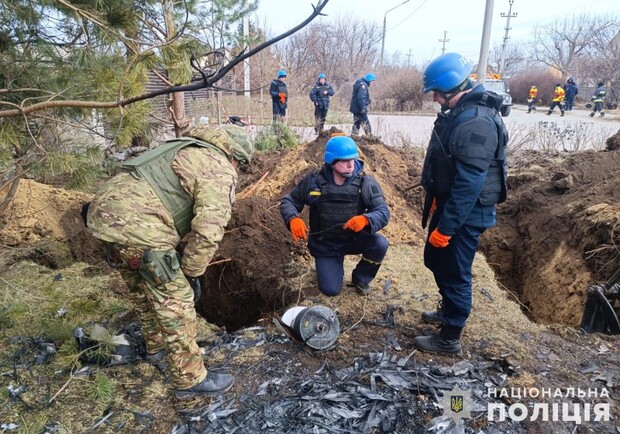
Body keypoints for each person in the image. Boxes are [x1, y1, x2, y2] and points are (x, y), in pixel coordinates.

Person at [85, 125, 254, 398]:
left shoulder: (181, 147)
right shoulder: (218, 167)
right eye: (240, 163)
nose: (238, 168)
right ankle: (190, 379)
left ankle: (156, 347)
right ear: (234, 156)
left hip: (103, 216)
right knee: (176, 301)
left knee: (143, 288)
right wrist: (190, 273)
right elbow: (208, 231)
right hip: (139, 226)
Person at [417, 52, 509, 355]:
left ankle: (450, 337)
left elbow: (470, 183)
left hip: (467, 212)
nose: (434, 99)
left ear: (450, 89)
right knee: (434, 259)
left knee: (456, 270)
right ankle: (448, 310)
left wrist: (447, 226)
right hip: (451, 205)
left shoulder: (475, 123)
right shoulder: (462, 114)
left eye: (436, 93)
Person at [280, 135, 390, 297]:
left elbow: (383, 212)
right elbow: (289, 201)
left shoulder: (365, 183)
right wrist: (293, 219)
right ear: (332, 161)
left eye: (353, 159)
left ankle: (361, 278)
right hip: (326, 245)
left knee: (379, 243)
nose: (351, 164)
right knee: (330, 290)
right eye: (345, 161)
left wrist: (366, 219)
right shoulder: (314, 181)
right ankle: (330, 268)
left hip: (354, 239)